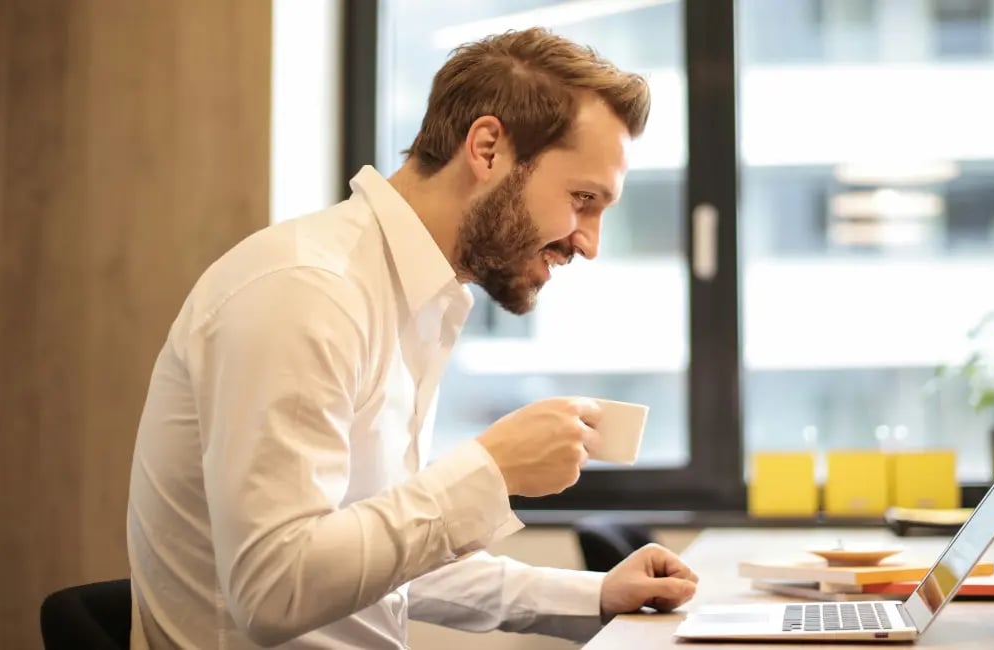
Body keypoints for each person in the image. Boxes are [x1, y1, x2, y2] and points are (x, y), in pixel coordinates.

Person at [126, 26, 699, 650]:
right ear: (487, 149)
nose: (589, 242)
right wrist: (489, 470)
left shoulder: (413, 298)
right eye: (582, 199)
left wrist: (591, 596)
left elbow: (374, 566)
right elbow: (275, 589)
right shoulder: (307, 292)